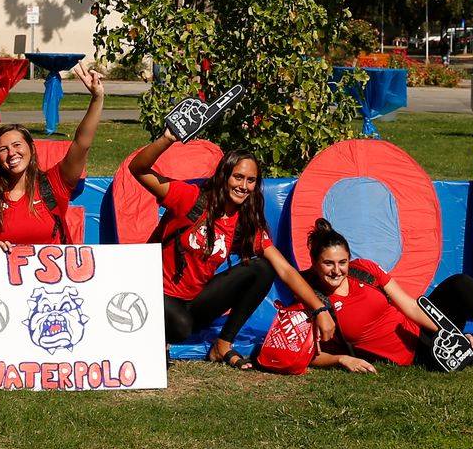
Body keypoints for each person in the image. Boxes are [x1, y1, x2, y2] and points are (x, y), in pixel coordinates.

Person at [128, 128, 337, 368]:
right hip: (154, 292)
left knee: (262, 269)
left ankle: (223, 344)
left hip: (193, 302)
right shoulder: (190, 198)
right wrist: (167, 139)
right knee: (181, 326)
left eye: (251, 180)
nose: (244, 186)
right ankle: (156, 338)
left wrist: (319, 309)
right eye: (238, 177)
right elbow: (138, 170)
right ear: (224, 175)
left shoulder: (243, 223)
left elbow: (285, 270)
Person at [298, 218, 473, 375]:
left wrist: (449, 332)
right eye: (328, 264)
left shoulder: (364, 269)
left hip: (427, 328)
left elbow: (410, 308)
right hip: (417, 355)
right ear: (314, 262)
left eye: (342, 262)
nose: (337, 270)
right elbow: (309, 354)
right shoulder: (313, 299)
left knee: (460, 283)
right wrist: (342, 359)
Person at [0, 64, 104, 247]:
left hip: (57, 275)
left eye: (17, 145)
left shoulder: (54, 184)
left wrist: (97, 98)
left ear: (31, 149)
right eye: (3, 149)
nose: (11, 153)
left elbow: (82, 144)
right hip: (5, 274)